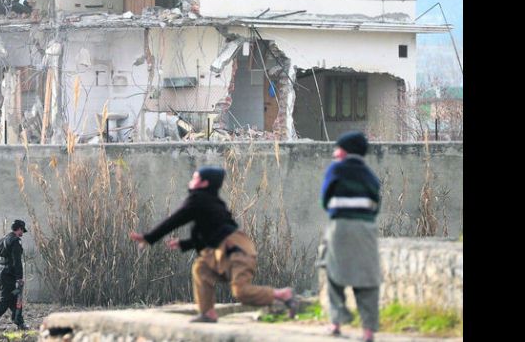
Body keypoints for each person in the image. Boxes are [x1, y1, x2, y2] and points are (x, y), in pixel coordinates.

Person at [129, 166, 297, 323]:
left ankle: (282, 294)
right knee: (201, 268)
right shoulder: (210, 201)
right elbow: (211, 233)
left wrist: (149, 237)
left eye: (195, 178)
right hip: (224, 246)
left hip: (234, 248)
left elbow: (175, 220)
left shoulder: (199, 199)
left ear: (204, 183)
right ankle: (208, 313)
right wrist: (185, 244)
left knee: (241, 292)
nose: (191, 181)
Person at [320, 131, 381, 342]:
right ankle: (368, 330)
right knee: (367, 278)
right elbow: (375, 205)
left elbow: (325, 199)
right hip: (366, 229)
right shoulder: (370, 175)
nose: (335, 153)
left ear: (344, 151)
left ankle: (336, 322)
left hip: (340, 227)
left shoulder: (336, 169)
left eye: (337, 149)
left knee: (334, 273)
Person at [0, 219, 30, 332]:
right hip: (9, 274)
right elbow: (17, 261)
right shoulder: (16, 241)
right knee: (6, 299)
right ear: (19, 229)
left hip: (0, 272)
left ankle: (20, 323)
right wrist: (19, 278)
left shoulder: (3, 239)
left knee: (13, 297)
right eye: (22, 230)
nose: (22, 233)